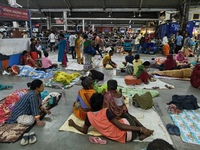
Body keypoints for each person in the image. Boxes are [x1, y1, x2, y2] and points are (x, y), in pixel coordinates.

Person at [69, 93, 154, 143]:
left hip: (123, 138)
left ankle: (141, 133)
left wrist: (73, 124)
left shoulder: (88, 116)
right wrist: (141, 129)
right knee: (126, 114)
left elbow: (84, 131)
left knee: (120, 117)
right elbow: (121, 126)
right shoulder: (105, 111)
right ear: (102, 104)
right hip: (129, 134)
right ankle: (143, 131)